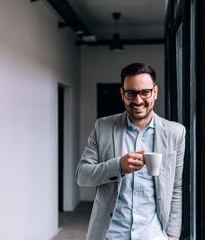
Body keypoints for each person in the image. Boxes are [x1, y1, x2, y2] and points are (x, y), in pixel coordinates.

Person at [76, 63, 185, 240]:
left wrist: (172, 234)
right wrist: (117, 166)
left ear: (155, 92)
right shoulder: (103, 127)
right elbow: (82, 175)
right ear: (122, 94)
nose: (138, 100)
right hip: (111, 234)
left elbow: (177, 187)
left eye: (145, 92)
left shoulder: (176, 133)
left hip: (153, 234)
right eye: (131, 93)